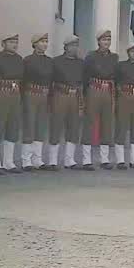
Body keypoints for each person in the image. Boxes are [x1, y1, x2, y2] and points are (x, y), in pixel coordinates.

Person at [49, 35, 85, 170]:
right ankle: (53, 160)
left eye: (76, 45)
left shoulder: (81, 63)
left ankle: (69, 159)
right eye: (71, 45)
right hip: (60, 94)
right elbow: (51, 80)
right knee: (56, 125)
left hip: (75, 96)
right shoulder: (56, 61)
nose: (74, 48)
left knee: (74, 127)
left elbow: (82, 81)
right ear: (65, 47)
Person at [84, 30, 119, 170]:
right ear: (98, 41)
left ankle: (104, 159)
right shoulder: (91, 56)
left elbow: (115, 75)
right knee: (90, 123)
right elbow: (85, 74)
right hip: (94, 89)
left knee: (107, 123)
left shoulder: (114, 57)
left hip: (108, 90)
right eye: (104, 40)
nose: (106, 43)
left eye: (108, 40)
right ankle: (87, 159)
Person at [0, 34, 25, 175]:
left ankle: (8, 162)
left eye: (16, 42)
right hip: (1, 92)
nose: (14, 45)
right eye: (11, 41)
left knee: (13, 126)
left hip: (15, 93)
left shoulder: (19, 59)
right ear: (3, 43)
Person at [22, 33, 53, 171]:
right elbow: (23, 79)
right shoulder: (27, 60)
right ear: (34, 44)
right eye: (41, 42)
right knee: (29, 125)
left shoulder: (49, 61)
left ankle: (37, 159)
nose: (44, 44)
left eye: (46, 41)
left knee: (40, 126)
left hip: (44, 94)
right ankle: (26, 160)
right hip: (31, 94)